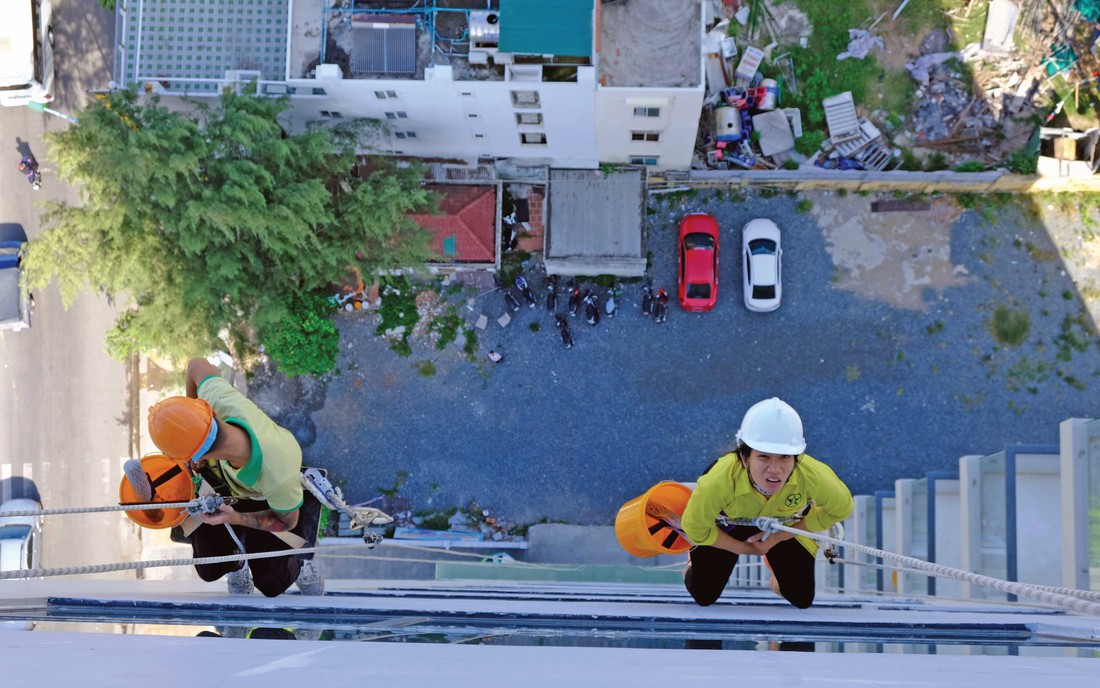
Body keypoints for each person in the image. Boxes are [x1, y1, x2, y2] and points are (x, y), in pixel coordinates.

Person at [126, 357, 322, 597]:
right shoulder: (217, 400)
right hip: (223, 484)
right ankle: (237, 562)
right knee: (208, 569)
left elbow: (287, 522)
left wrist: (237, 517)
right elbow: (196, 365)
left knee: (271, 583)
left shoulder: (277, 474)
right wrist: (191, 409)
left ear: (196, 454)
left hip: (265, 498)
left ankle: (299, 565)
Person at [677, 397, 852, 609]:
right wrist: (745, 549)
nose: (775, 469)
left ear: (797, 458)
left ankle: (776, 568)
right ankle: (692, 562)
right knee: (704, 594)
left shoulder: (814, 475)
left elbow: (841, 509)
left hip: (785, 524)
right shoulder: (718, 480)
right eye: (764, 457)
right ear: (744, 457)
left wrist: (777, 538)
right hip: (727, 524)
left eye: (785, 457)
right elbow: (694, 528)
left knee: (801, 598)